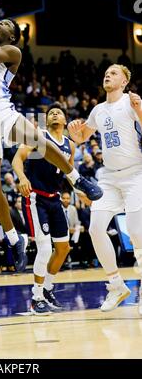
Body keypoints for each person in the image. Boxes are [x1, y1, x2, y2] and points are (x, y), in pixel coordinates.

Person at [0, 0, 103, 272]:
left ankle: (76, 178)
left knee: (42, 142)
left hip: (0, 109)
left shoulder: (11, 51)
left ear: (12, 36)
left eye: (2, 24)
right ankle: (16, 240)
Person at [68, 64, 142, 314]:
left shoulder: (130, 102)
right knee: (96, 228)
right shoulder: (98, 110)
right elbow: (82, 137)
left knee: (135, 231)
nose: (107, 75)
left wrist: (140, 110)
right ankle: (116, 285)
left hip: (135, 173)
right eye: (106, 73)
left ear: (124, 82)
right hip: (109, 177)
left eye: (114, 73)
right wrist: (75, 133)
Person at [12, 105, 76, 314]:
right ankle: (36, 297)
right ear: (46, 121)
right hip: (35, 197)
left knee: (64, 248)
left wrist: (83, 193)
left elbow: (69, 173)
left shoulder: (70, 146)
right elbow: (17, 158)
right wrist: (22, 177)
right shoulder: (38, 135)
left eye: (58, 112)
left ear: (65, 120)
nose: (54, 114)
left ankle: (47, 288)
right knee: (45, 248)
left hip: (55, 199)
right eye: (50, 113)